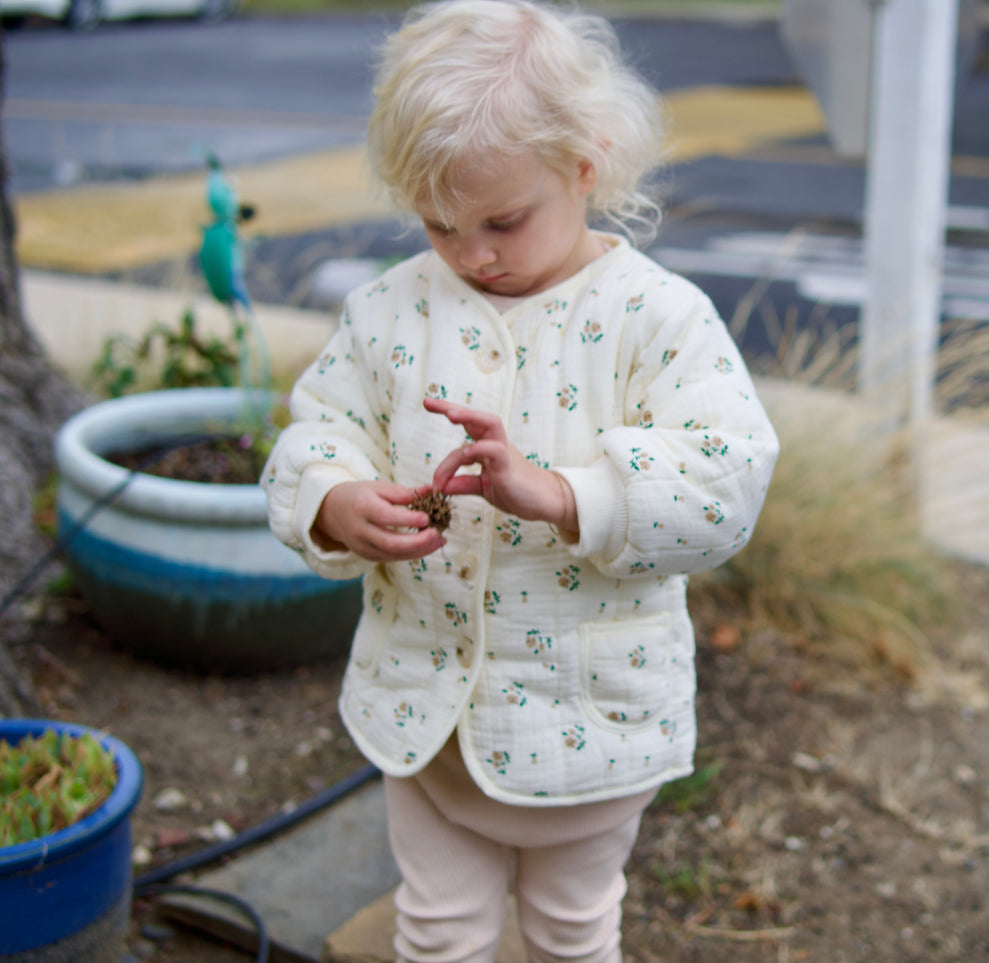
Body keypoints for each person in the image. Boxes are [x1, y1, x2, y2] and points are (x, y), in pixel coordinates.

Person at [260, 2, 779, 960]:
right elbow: (316, 430)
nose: (471, 254)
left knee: (572, 931)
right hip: (426, 717)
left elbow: (727, 477)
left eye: (501, 220)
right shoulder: (389, 311)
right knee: (436, 928)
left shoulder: (656, 317)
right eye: (438, 225)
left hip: (590, 723)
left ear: (586, 163)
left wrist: (565, 493)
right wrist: (334, 501)